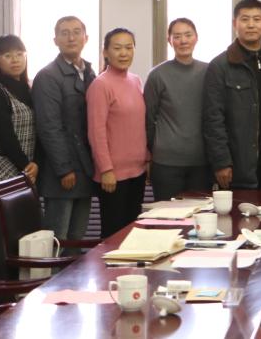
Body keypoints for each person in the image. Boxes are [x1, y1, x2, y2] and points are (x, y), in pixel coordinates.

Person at [203, 0, 261, 190]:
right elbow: (213, 119)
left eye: (257, 19)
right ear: (234, 23)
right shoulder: (220, 66)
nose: (251, 25)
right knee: (239, 210)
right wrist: (221, 162)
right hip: (237, 165)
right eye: (245, 19)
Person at [32, 16, 97, 247]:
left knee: (77, 238)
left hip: (85, 168)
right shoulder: (48, 76)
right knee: (57, 239)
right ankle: (52, 273)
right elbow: (49, 126)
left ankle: (73, 273)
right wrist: (64, 168)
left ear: (86, 38)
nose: (71, 38)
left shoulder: (89, 73)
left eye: (77, 32)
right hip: (62, 172)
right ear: (55, 40)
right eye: (65, 33)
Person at [87, 28, 149, 238]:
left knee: (132, 233)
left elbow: (139, 124)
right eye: (117, 48)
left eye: (129, 47)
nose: (124, 53)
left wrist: (147, 159)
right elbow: (96, 131)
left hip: (137, 172)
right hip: (112, 175)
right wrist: (106, 169)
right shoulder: (100, 84)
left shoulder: (136, 80)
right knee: (113, 236)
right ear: (105, 52)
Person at [144, 18, 210, 200]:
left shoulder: (209, 71)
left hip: (201, 162)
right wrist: (154, 150)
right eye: (177, 36)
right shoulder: (157, 75)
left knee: (199, 214)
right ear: (169, 40)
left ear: (196, 38)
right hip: (166, 163)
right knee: (167, 214)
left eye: (188, 35)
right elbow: (148, 118)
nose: (183, 41)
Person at [0, 34, 38, 184]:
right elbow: (6, 137)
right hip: (4, 171)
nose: (15, 60)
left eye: (19, 54)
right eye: (7, 55)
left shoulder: (29, 89)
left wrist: (35, 163)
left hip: (29, 169)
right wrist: (26, 166)